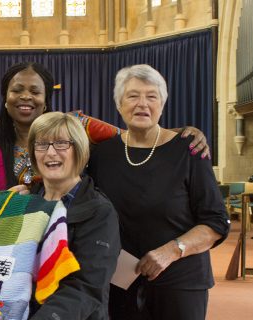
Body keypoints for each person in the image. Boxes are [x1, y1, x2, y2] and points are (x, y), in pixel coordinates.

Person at [0, 62, 210, 190]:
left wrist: (182, 132)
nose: (26, 97)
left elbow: (131, 136)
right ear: (5, 98)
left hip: (62, 237)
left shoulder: (77, 126)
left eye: (35, 91)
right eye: (17, 90)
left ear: (46, 100)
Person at [87, 64, 230, 320]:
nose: (142, 103)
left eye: (151, 96)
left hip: (180, 281)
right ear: (119, 104)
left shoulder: (189, 151)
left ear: (162, 105)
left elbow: (216, 221)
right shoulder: (102, 155)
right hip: (120, 281)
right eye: (132, 96)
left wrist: (171, 251)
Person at [26, 112, 121, 320]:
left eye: (61, 144)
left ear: (78, 150)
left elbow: (85, 288)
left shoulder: (100, 212)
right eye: (41, 144)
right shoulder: (26, 203)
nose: (50, 153)